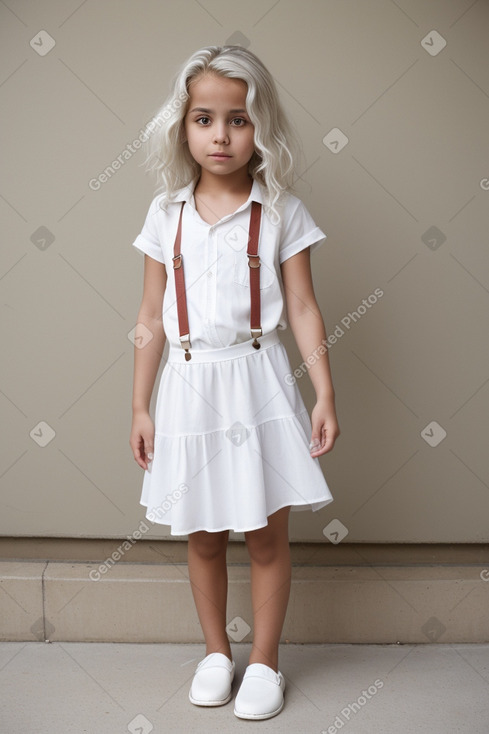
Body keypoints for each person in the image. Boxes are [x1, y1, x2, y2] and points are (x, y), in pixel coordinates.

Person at [129, 45, 340, 721]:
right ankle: (217, 652)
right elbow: (148, 318)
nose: (220, 135)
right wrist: (138, 404)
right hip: (188, 384)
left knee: (266, 533)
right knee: (201, 532)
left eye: (238, 120)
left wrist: (324, 392)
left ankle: (265, 662)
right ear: (182, 127)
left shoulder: (279, 211)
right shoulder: (167, 215)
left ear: (261, 128)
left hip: (260, 380)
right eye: (203, 119)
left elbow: (303, 308)